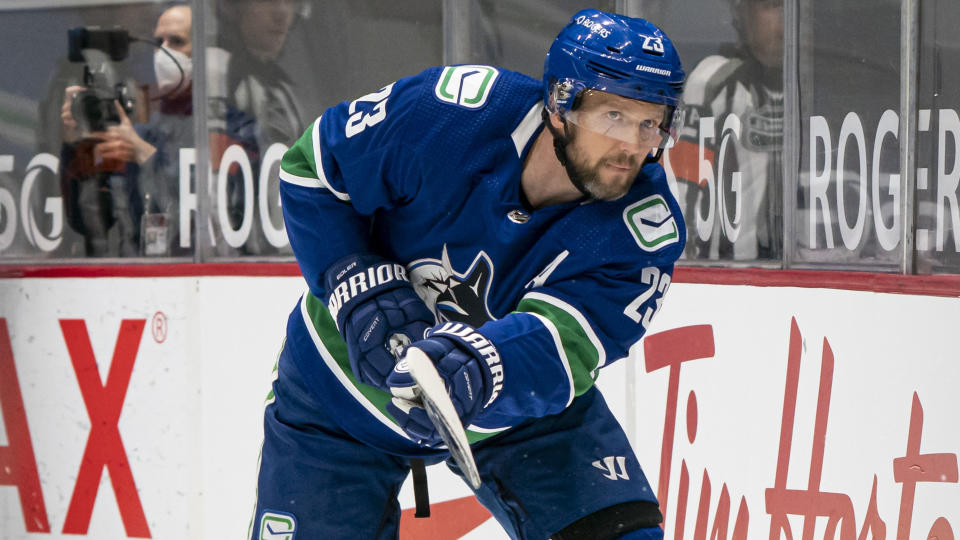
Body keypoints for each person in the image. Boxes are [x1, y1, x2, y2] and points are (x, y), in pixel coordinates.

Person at [251, 9, 685, 540]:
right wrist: (353, 283)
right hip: (338, 390)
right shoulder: (452, 113)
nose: (633, 146)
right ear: (558, 105)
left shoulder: (644, 230)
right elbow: (313, 171)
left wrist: (482, 363)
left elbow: (567, 343)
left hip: (515, 411)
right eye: (612, 116)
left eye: (651, 121)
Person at [59, 4, 194, 256]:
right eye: (158, 42)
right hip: (136, 269)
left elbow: (203, 210)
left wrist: (144, 154)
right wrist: (75, 145)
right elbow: (89, 221)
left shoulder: (220, 123)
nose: (163, 52)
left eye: (176, 41)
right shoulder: (143, 131)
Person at [673, 0, 783, 260]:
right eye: (771, 5)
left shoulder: (816, 88)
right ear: (740, 13)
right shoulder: (713, 83)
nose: (784, 21)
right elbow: (684, 194)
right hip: (727, 274)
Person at [207, 0, 306, 255]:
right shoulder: (217, 71)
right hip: (239, 256)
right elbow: (214, 178)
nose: (281, 13)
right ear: (233, 8)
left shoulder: (282, 88)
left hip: (279, 250)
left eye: (290, 3)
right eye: (268, 1)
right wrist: (225, 261)